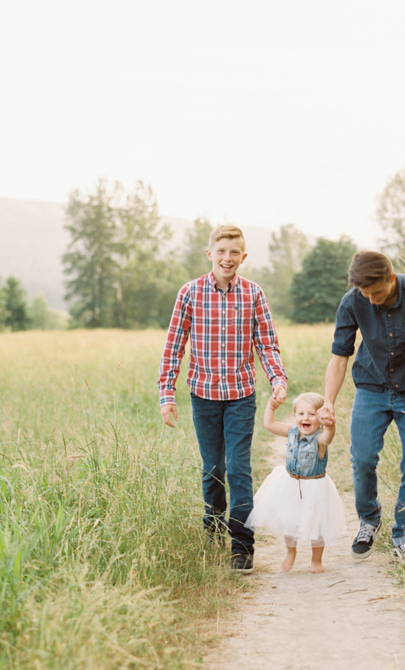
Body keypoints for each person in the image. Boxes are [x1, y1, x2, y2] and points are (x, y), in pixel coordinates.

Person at [158, 224, 288, 574]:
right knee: (213, 469)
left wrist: (277, 378)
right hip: (203, 395)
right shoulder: (190, 293)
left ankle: (242, 546)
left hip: (240, 395)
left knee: (238, 468)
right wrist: (166, 394)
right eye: (222, 251)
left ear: (243, 257)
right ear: (210, 254)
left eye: (235, 253)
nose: (227, 258)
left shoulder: (253, 294)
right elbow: (174, 347)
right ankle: (213, 529)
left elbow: (266, 343)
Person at [320, 251, 405, 561]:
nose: (372, 300)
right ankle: (369, 520)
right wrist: (328, 402)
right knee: (362, 459)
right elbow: (340, 357)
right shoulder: (353, 301)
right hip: (372, 387)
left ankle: (404, 535)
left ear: (391, 279)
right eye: (366, 294)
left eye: (377, 293)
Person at [246, 392, 348, 574]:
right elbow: (269, 425)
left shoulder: (319, 440)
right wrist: (271, 406)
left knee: (317, 526)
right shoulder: (292, 431)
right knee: (289, 521)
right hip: (291, 483)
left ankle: (316, 559)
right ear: (295, 416)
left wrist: (330, 426)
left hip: (315, 486)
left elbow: (328, 437)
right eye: (301, 414)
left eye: (312, 414)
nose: (305, 418)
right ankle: (290, 553)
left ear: (320, 418)